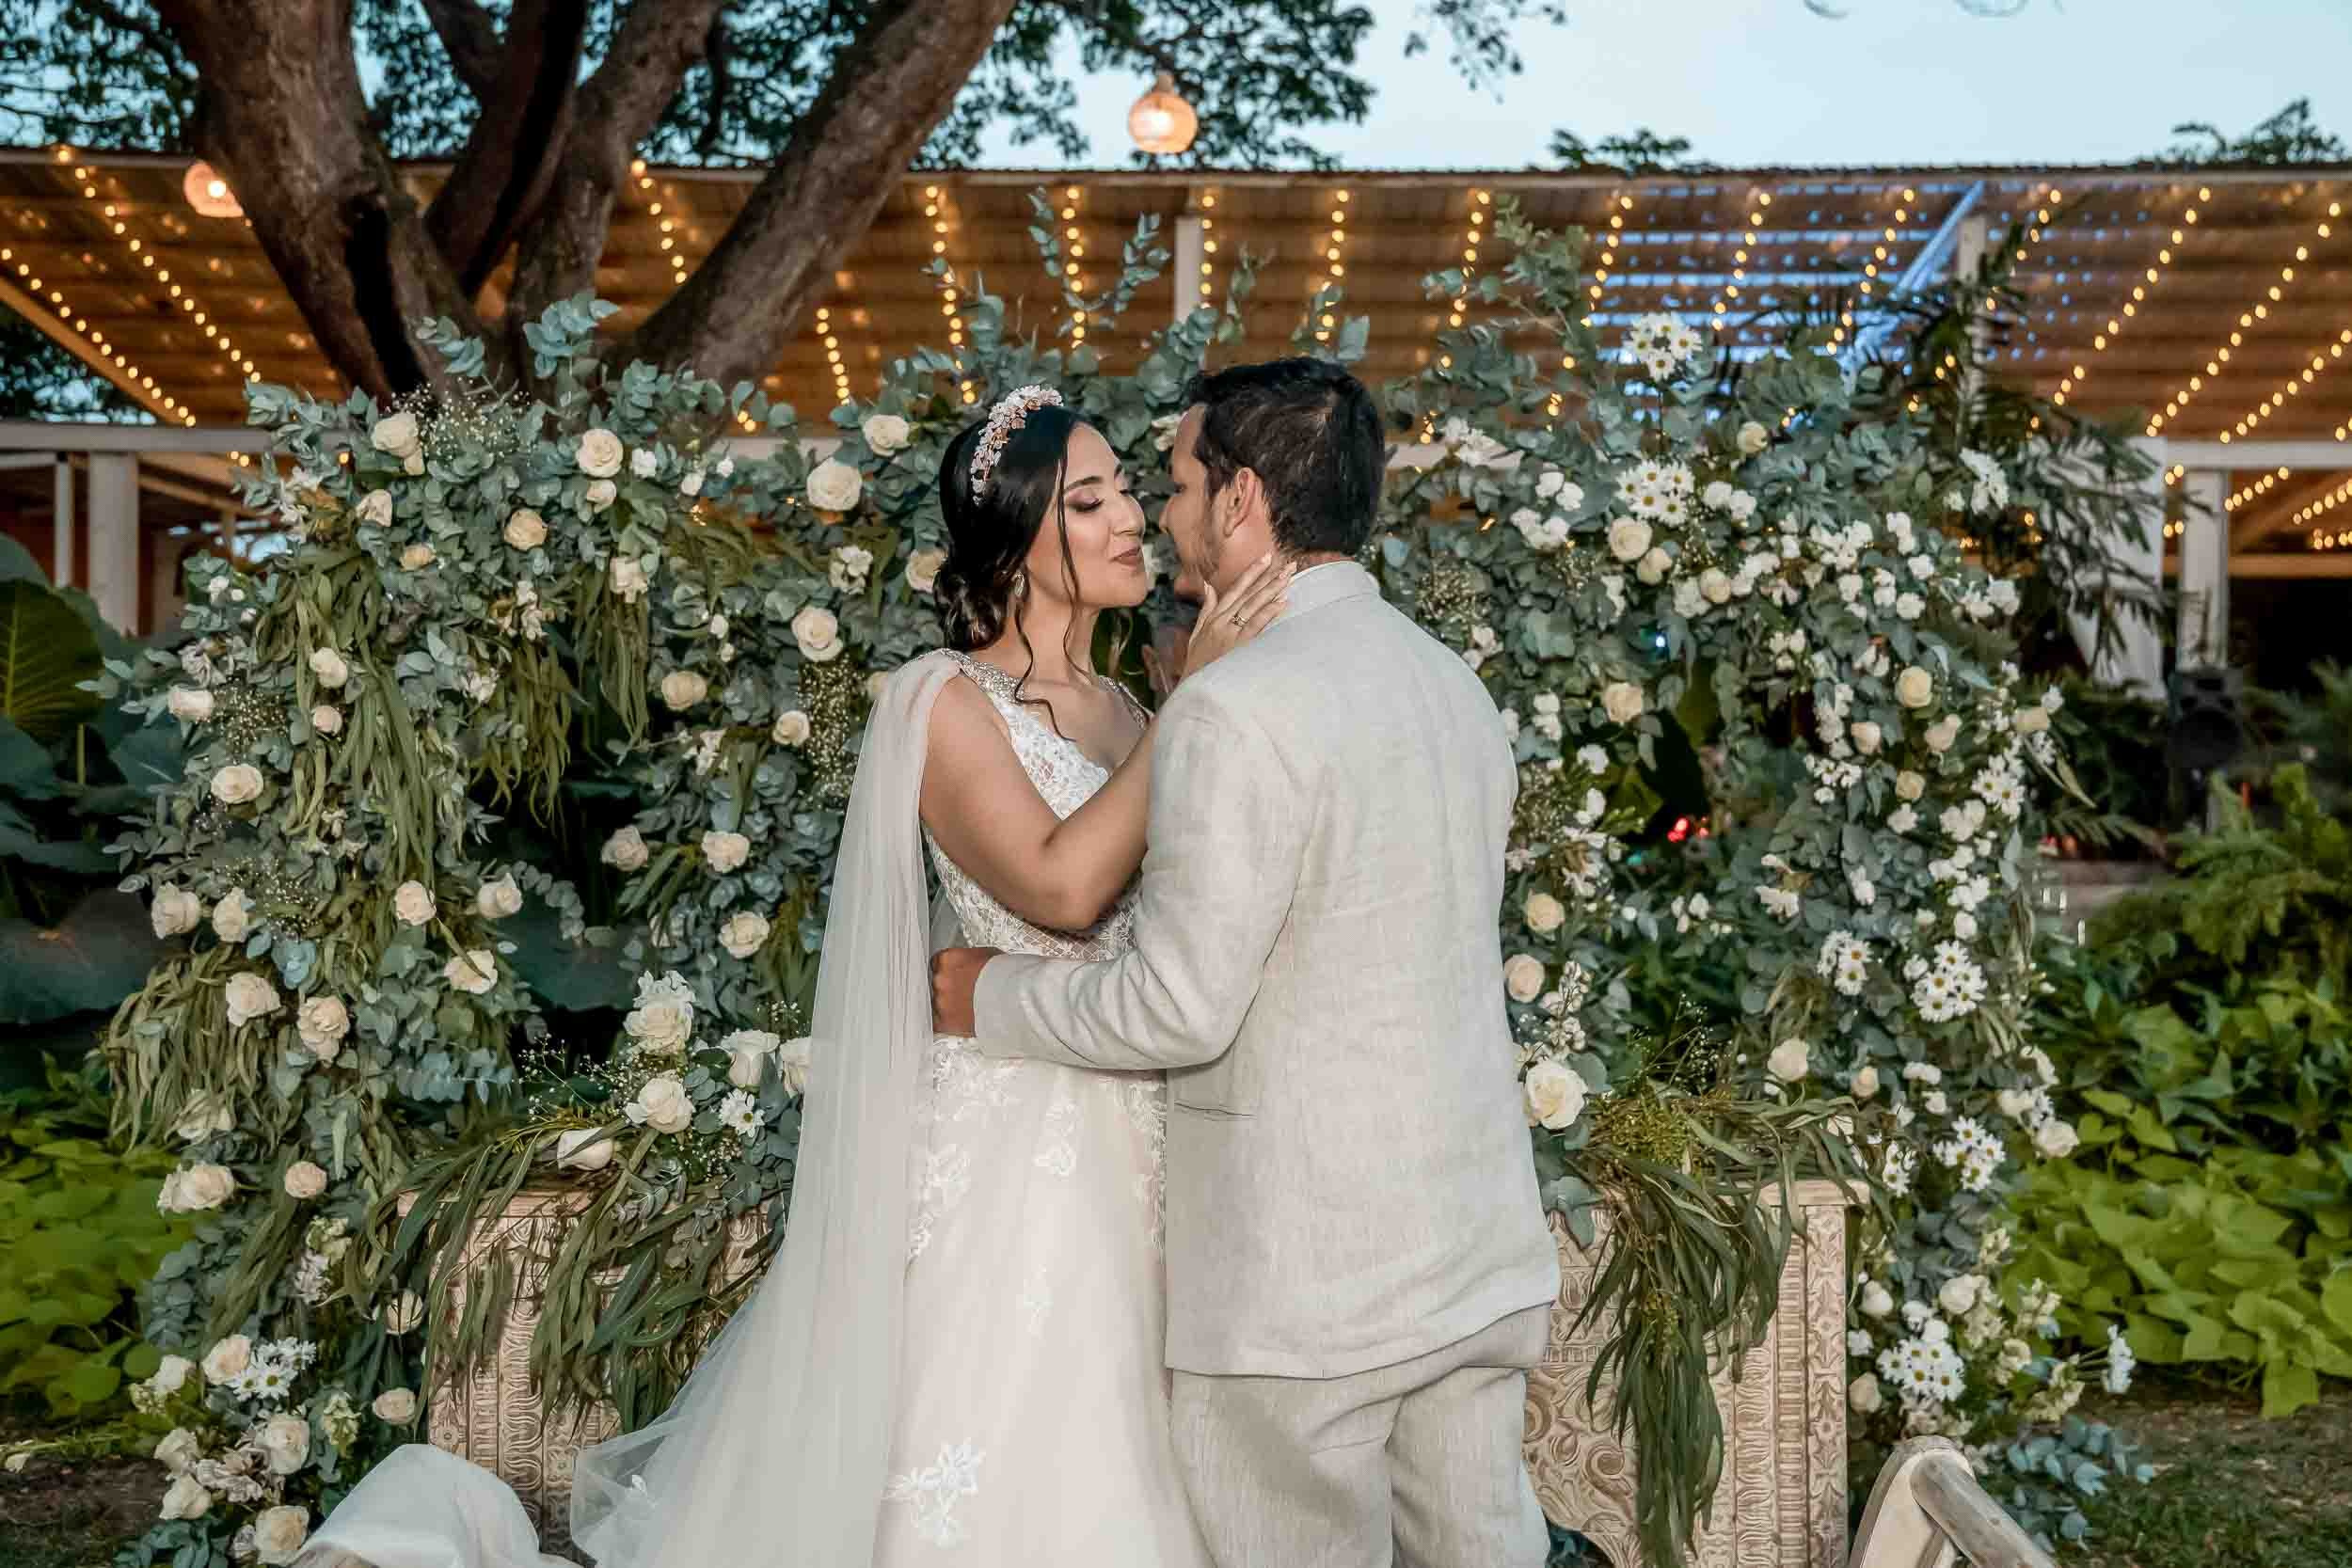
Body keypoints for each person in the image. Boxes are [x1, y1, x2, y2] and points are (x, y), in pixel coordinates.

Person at [301, 387, 1287, 1568]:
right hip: (1014, 1145)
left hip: (1141, 1120)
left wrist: (1186, 712)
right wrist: (1200, 712)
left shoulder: (1132, 707)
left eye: (1127, 487)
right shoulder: (947, 700)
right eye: (1089, 499)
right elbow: (1060, 887)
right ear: (1016, 539)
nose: (1131, 515)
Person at [930, 358, 1563, 1568]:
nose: (1155, 513)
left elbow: (1176, 1005)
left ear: (1239, 503)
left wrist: (984, 991)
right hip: (1476, 1258)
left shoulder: (1230, 707)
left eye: (1170, 482)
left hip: (1304, 1298)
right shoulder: (1453, 688)